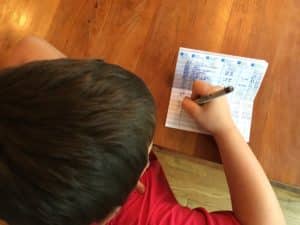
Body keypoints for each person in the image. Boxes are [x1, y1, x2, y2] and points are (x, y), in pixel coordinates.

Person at [0, 36, 286, 225]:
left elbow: (28, 48)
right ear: (117, 206)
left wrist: (88, 104)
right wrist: (225, 130)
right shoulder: (140, 216)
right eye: (146, 153)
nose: (151, 151)